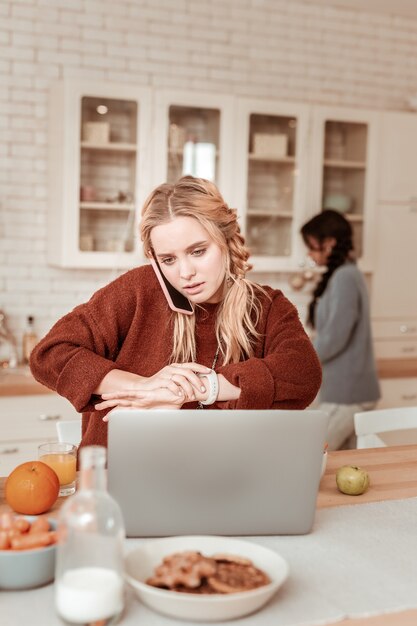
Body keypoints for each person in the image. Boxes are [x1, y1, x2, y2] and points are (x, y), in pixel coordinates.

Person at [30, 176, 322, 450]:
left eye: (198, 251)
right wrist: (145, 386)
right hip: (118, 478)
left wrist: (197, 389)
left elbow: (303, 375)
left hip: (222, 480)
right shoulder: (139, 290)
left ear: (226, 239)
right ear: (154, 259)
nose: (185, 273)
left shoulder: (266, 306)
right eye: (168, 259)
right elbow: (50, 354)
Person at [300, 209, 380, 450]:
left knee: (312, 453)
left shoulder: (345, 276)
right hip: (346, 390)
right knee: (342, 468)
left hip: (348, 394)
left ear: (330, 243)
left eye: (312, 246)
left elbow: (335, 337)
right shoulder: (344, 274)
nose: (309, 252)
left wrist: (299, 359)